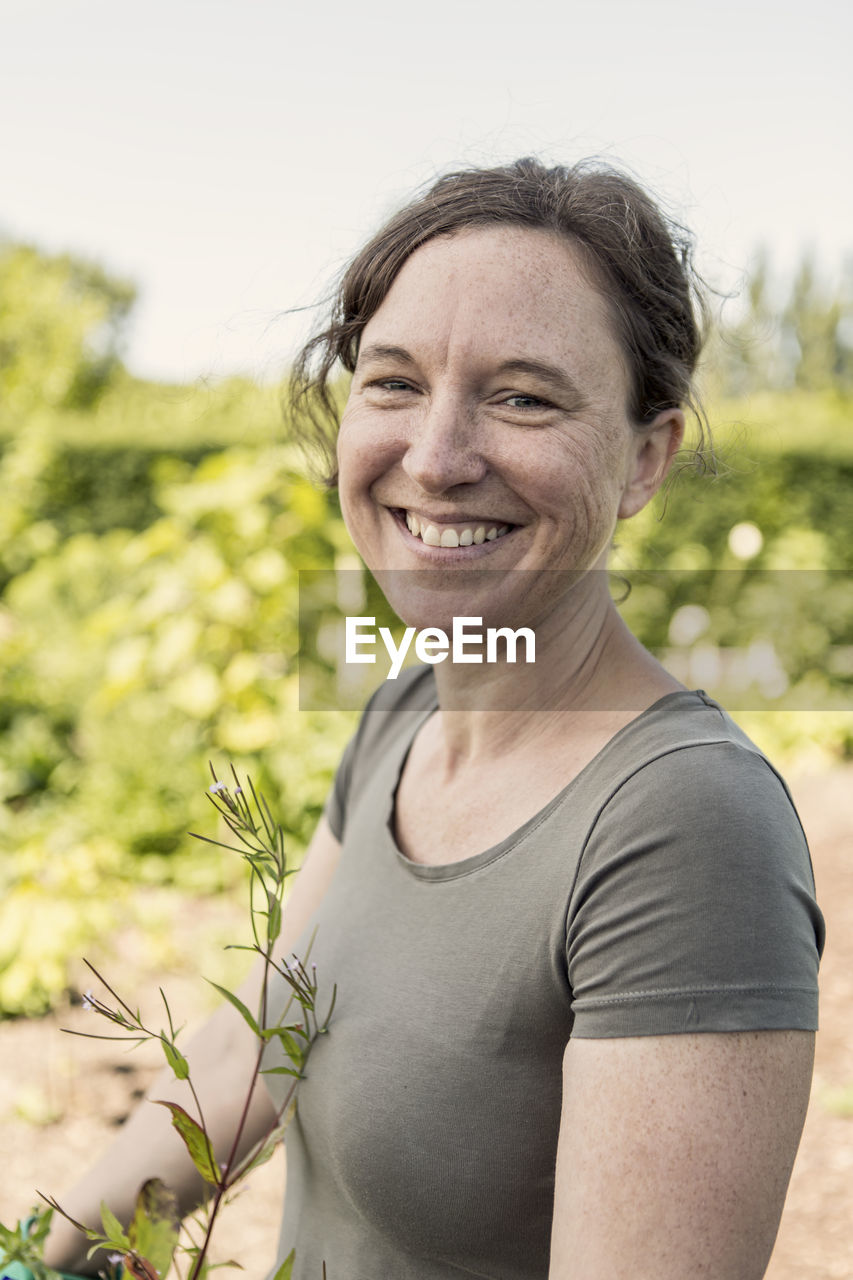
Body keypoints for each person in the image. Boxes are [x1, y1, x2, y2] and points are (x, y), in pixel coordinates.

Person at [43, 157, 824, 1280]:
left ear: (646, 458)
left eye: (522, 396)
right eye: (395, 382)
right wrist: (38, 1251)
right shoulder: (406, 709)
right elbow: (248, 1050)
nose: (437, 457)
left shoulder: (684, 825)